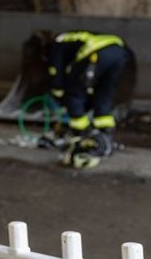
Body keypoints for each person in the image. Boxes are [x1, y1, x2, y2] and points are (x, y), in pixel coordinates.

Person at [47, 30, 129, 169]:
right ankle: (104, 135)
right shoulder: (77, 37)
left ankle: (81, 135)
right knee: (103, 94)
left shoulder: (58, 43)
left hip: (96, 52)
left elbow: (56, 69)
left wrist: (58, 92)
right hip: (119, 51)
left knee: (74, 92)